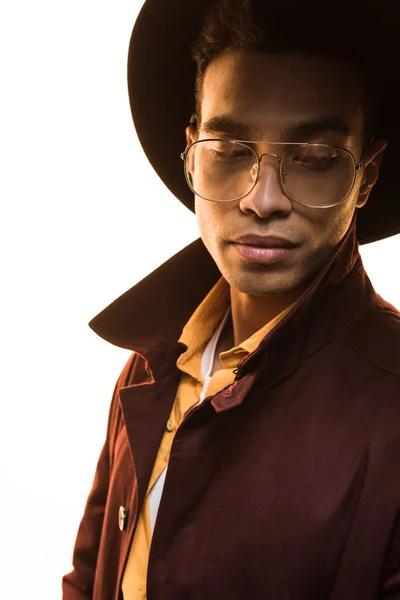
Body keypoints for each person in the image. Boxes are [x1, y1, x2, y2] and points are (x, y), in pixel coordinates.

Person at [62, 0, 400, 598]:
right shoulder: (154, 361)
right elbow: (89, 577)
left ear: (366, 176)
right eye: (231, 151)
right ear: (192, 153)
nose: (263, 199)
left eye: (314, 158)